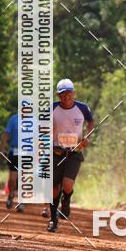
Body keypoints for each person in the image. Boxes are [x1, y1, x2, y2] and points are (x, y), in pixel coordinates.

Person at [48, 78, 94, 233]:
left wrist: (87, 137)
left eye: (69, 93)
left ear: (74, 93)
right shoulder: (51, 108)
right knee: (54, 189)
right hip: (56, 153)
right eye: (62, 94)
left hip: (74, 153)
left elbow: (91, 122)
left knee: (67, 185)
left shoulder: (82, 108)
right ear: (58, 95)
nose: (66, 97)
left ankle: (66, 201)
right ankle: (53, 220)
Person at [0, 112, 24, 212]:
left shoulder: (34, 121)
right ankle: (11, 195)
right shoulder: (14, 119)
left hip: (28, 153)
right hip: (14, 151)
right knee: (13, 178)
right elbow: (5, 134)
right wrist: (2, 149)